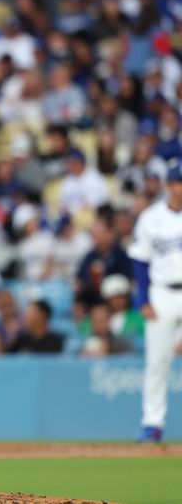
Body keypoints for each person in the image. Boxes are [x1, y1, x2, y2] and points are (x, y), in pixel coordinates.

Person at [128, 162, 182, 443]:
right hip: (162, 293)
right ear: (167, 185)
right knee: (156, 362)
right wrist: (142, 299)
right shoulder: (151, 217)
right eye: (176, 182)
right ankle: (152, 423)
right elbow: (139, 260)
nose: (179, 187)